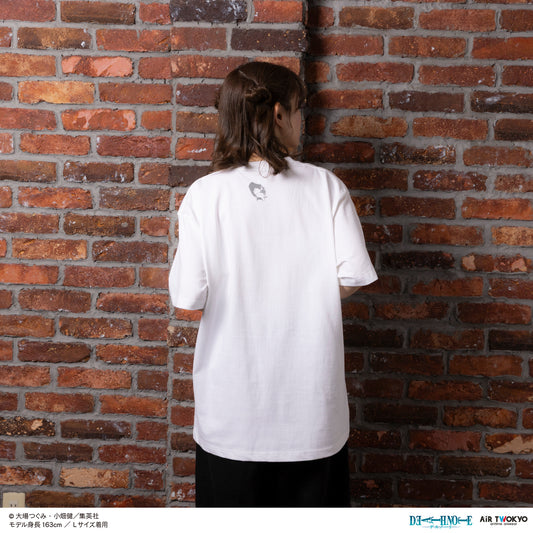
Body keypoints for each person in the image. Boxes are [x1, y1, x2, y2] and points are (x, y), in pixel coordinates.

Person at [168, 61, 378, 507]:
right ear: (279, 113)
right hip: (311, 412)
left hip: (231, 413)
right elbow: (351, 277)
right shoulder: (325, 187)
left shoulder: (204, 195)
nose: (302, 121)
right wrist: (305, 291)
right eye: (299, 110)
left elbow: (189, 295)